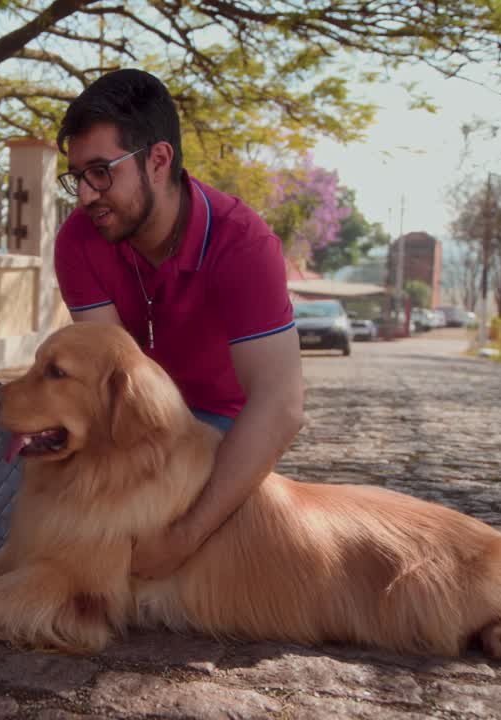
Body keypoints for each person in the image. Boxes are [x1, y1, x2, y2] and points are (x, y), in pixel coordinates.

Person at [52, 70, 305, 580]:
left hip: (219, 430)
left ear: (158, 160)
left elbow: (281, 406)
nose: (84, 195)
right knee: (27, 483)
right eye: (77, 175)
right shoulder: (80, 240)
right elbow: (103, 384)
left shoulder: (243, 245)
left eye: (101, 172)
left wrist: (184, 537)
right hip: (133, 423)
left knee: (174, 551)